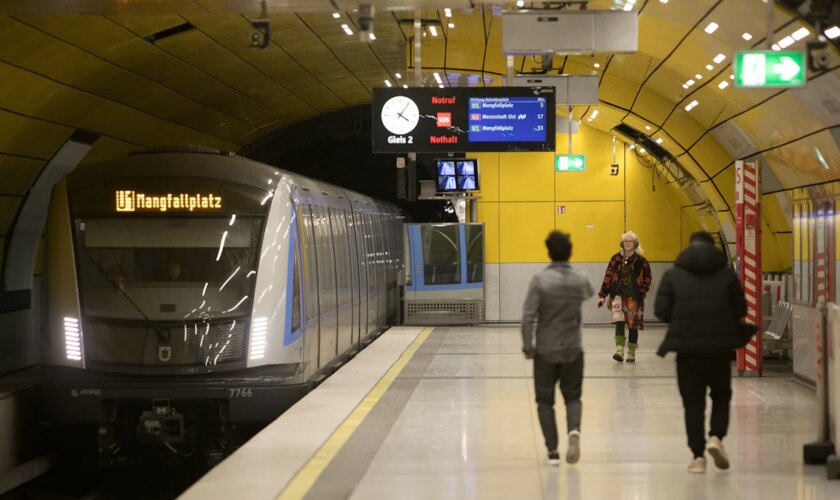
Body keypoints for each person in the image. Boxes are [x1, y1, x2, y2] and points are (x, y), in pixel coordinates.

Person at [654, 231, 747, 473]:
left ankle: (698, 456)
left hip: (687, 350)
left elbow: (661, 310)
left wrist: (683, 317)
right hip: (718, 349)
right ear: (714, 247)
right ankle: (716, 437)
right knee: (720, 396)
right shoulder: (727, 275)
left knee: (692, 403)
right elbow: (741, 308)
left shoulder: (673, 275)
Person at [521, 231, 595, 466]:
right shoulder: (580, 279)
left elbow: (528, 317)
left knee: (545, 401)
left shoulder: (540, 281)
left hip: (546, 349)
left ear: (549, 252)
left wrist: (528, 346)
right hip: (573, 348)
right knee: (573, 397)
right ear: (570, 252)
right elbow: (590, 292)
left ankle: (552, 452)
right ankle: (574, 432)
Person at [597, 231, 652, 363]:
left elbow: (648, 278)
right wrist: (602, 295)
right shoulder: (615, 259)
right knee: (619, 322)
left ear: (635, 244)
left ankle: (631, 352)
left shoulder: (641, 261)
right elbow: (608, 277)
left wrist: (642, 291)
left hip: (634, 298)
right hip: (617, 296)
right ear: (622, 243)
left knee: (633, 326)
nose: (628, 243)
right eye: (626, 241)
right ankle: (620, 351)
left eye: (631, 241)